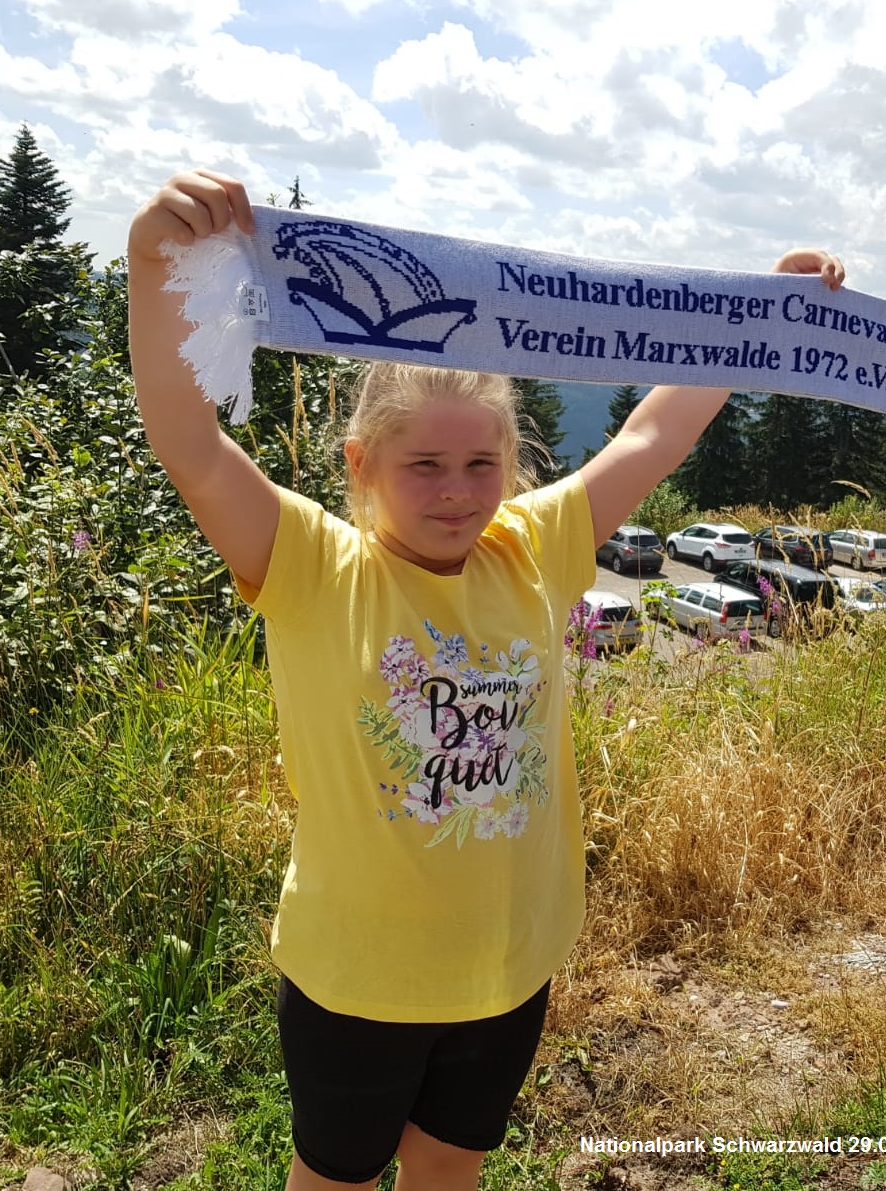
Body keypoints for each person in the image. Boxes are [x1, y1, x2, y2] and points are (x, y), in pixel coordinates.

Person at [126, 169, 845, 1191]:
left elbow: (653, 431)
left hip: (508, 966)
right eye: (424, 465)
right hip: (357, 977)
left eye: (482, 464)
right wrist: (153, 265)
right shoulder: (314, 566)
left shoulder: (530, 546)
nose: (459, 494)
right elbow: (191, 447)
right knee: (334, 1177)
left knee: (451, 1169)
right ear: (361, 464)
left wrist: (754, 311)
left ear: (513, 463)